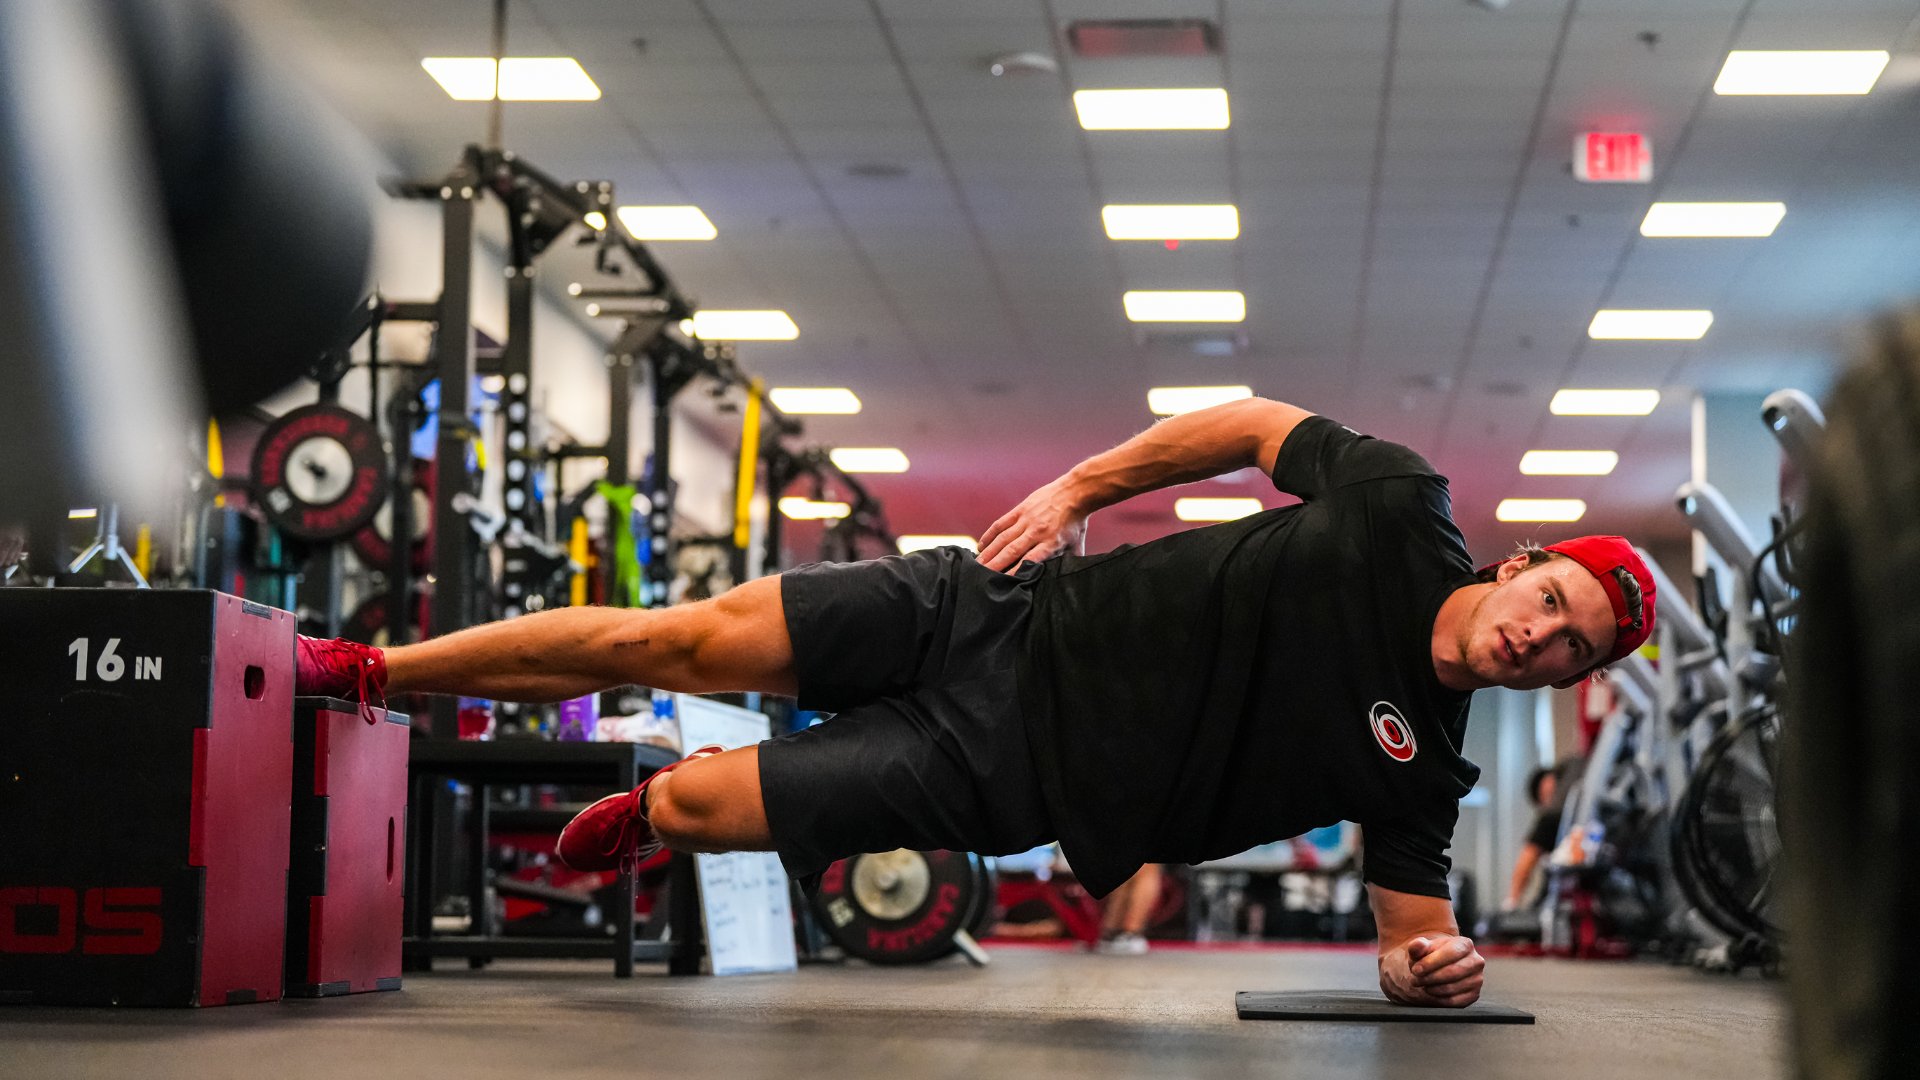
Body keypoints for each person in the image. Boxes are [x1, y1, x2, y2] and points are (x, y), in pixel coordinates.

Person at [298, 397, 1656, 1008]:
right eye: (1549, 606)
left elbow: (1414, 940)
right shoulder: (1397, 507)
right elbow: (1248, 425)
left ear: (1569, 681)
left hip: (1003, 777)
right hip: (995, 608)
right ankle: (380, 671)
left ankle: (651, 805)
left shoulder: (1425, 773)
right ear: (1523, 563)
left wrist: (1430, 974)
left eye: (1566, 655)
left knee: (711, 810)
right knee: (680, 641)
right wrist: (1078, 490)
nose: (1535, 642)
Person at [1503, 763, 1568, 913]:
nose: (1548, 801)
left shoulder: (1551, 817)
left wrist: (1511, 903)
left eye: (1544, 797)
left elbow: (1526, 861)